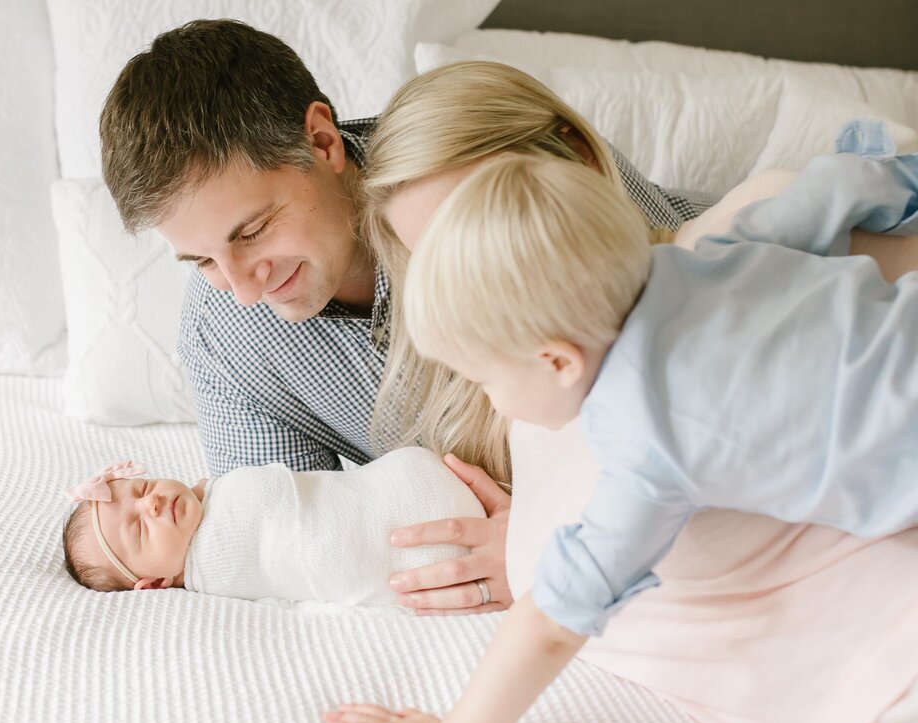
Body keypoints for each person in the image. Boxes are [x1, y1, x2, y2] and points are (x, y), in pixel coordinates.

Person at [322, 144, 918, 723]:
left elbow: (556, 617)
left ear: (557, 361)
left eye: (488, 380)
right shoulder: (716, 252)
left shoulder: (649, 435)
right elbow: (841, 184)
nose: (494, 403)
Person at [97, 22, 712, 614]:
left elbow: (683, 357)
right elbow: (290, 543)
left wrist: (541, 543)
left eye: (254, 231)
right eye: (203, 259)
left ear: (321, 140)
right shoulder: (222, 338)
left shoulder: (465, 157)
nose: (242, 290)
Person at [61, 448, 482, 607]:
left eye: (144, 487)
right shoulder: (212, 574)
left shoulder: (213, 498)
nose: (150, 502)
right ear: (153, 584)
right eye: (139, 530)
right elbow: (266, 502)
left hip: (408, 488)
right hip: (408, 549)